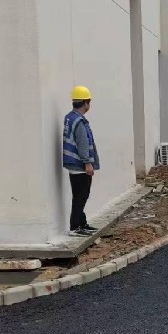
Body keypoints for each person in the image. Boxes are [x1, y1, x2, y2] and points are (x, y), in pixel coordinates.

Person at [62, 85, 100, 236]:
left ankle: (82, 222)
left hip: (73, 163)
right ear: (86, 103)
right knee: (81, 195)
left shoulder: (70, 118)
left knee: (80, 195)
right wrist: (87, 163)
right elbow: (83, 143)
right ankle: (75, 227)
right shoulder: (79, 121)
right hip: (80, 164)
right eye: (88, 102)